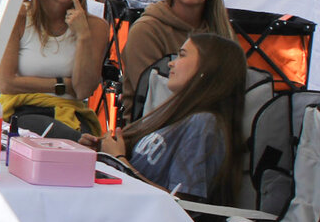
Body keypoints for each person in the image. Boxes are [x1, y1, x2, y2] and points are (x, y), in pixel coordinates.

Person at [83, 32, 246, 203]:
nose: (170, 63)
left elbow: (183, 204)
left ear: (208, 67)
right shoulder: (177, 116)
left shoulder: (203, 124)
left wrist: (118, 160)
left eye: (181, 55)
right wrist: (104, 149)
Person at [0, 0, 109, 138]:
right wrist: (61, 84)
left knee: (79, 139)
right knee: (74, 140)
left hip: (71, 114)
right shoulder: (18, 17)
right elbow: (6, 83)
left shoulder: (95, 27)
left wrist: (83, 36)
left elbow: (83, 90)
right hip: (23, 110)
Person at [119, 0, 234, 120]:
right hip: (151, 129)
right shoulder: (147, 30)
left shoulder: (221, 31)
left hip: (209, 128)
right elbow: (152, 95)